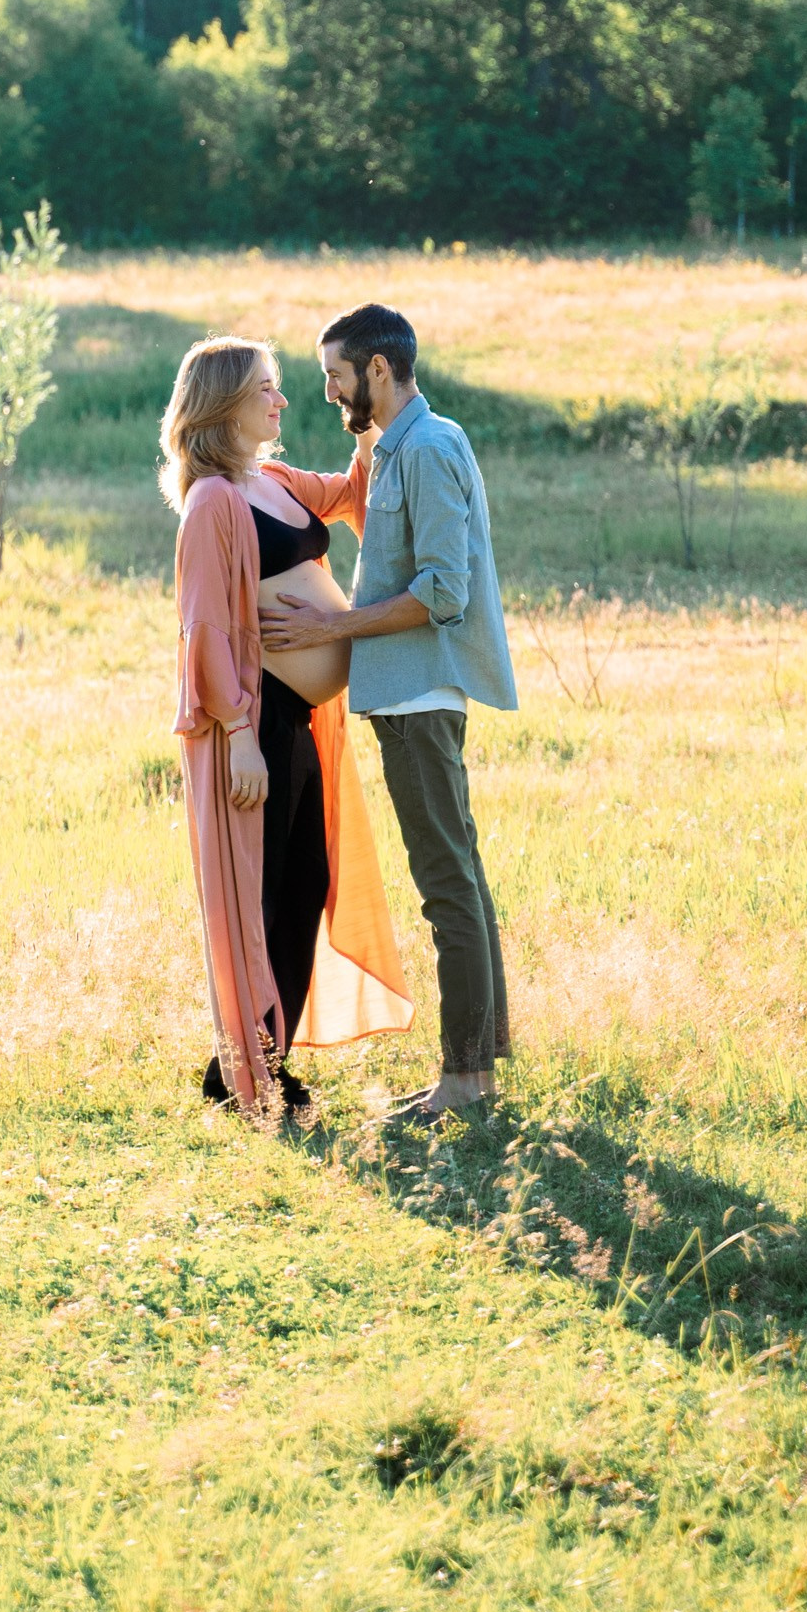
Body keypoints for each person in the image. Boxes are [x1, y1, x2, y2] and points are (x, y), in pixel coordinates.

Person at [259, 301, 518, 1126]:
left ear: (377, 369)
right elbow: (352, 489)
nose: (328, 393)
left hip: (417, 696)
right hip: (402, 696)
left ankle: (465, 1081)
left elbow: (442, 589)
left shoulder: (431, 448)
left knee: (447, 887)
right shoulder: (399, 446)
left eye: (336, 376)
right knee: (460, 879)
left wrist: (331, 625)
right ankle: (476, 1071)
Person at [164, 336, 411, 1119]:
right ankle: (249, 1072)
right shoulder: (213, 501)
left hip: (301, 718)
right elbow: (202, 627)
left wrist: (369, 421)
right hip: (255, 723)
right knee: (260, 894)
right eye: (266, 390)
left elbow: (348, 494)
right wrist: (237, 733)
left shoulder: (269, 479)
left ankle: (252, 1064)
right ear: (224, 405)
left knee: (305, 884)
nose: (280, 402)